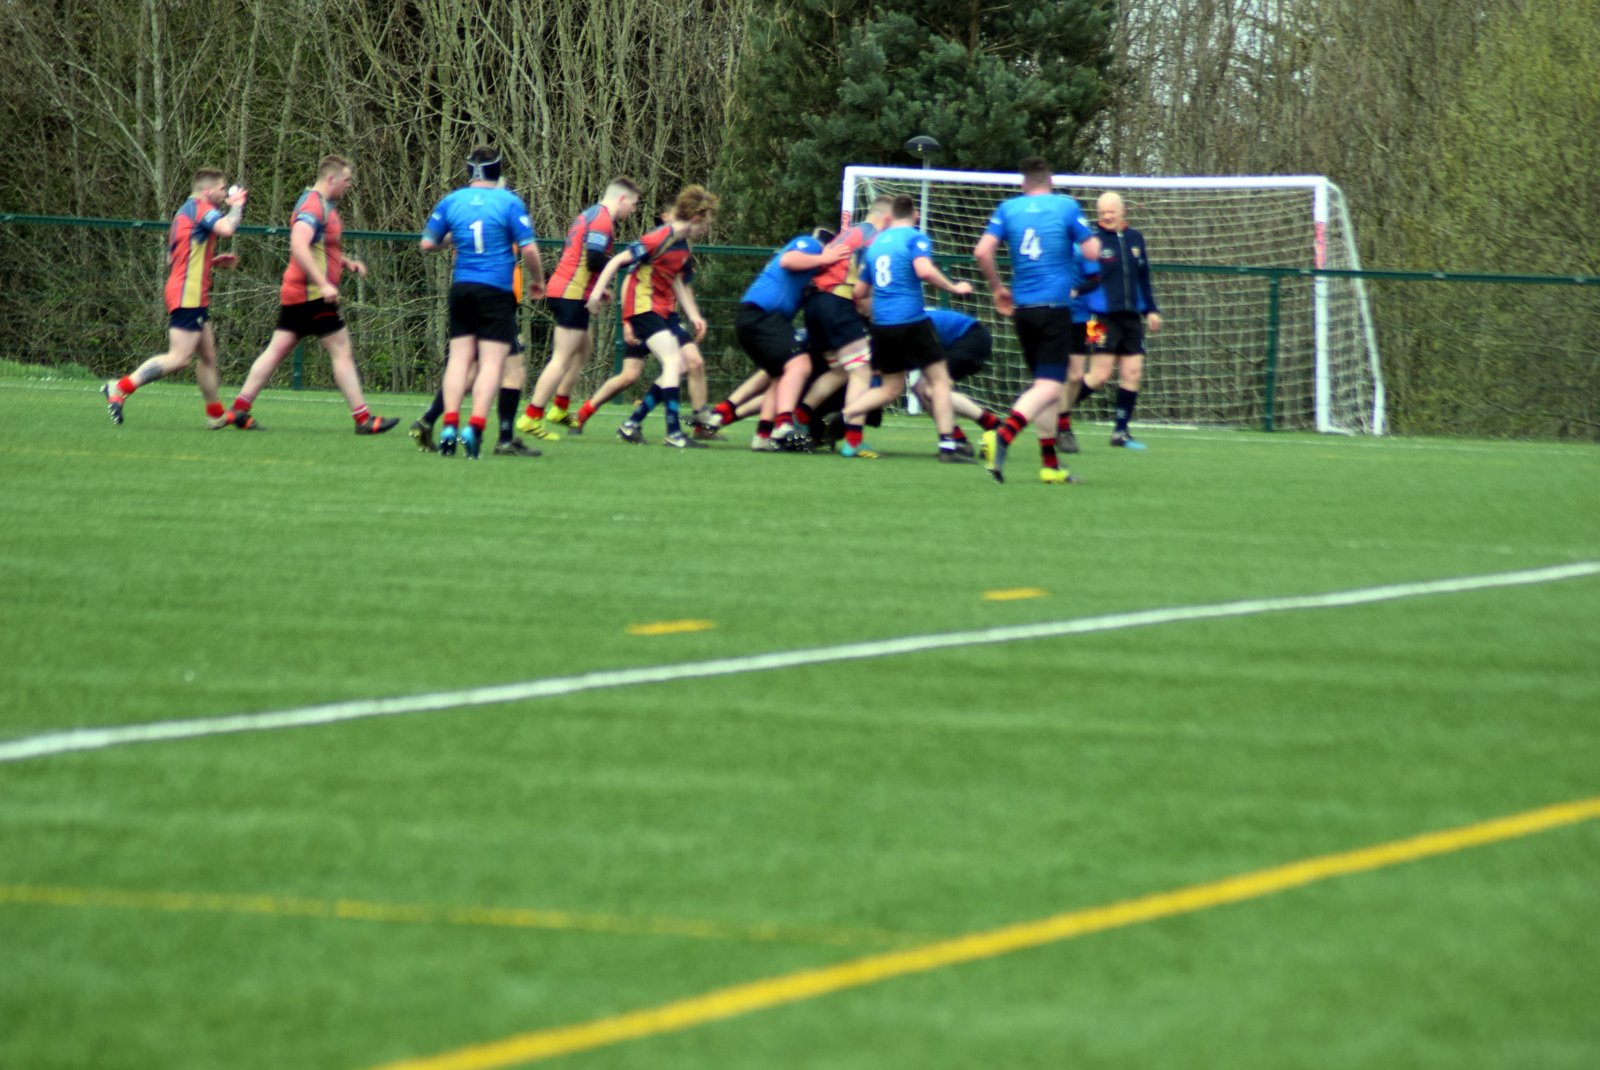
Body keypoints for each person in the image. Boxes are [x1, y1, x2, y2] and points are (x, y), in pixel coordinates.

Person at [216, 154, 398, 435]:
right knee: (341, 351)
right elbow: (299, 245)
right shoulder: (313, 206)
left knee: (276, 350)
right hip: (311, 294)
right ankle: (363, 420)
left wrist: (345, 262)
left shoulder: (322, 204)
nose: (349, 185)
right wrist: (323, 284)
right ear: (331, 178)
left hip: (300, 292)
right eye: (347, 180)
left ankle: (239, 409)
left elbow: (320, 246)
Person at [972, 156, 1100, 484]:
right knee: (1050, 386)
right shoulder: (1066, 206)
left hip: (1023, 311)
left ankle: (1050, 465)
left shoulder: (1007, 209)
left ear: (1023, 183)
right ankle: (1003, 434)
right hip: (1055, 309)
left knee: (1045, 389)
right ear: (1050, 181)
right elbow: (1091, 253)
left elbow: (982, 252)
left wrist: (997, 288)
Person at [417, 147, 544, 459]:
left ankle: (448, 426)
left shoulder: (452, 200)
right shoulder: (509, 202)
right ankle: (474, 428)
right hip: (495, 290)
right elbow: (529, 249)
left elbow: (428, 243)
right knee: (491, 364)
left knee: (459, 361)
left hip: (462, 288)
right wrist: (538, 281)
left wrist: (455, 236)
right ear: (497, 171)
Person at [102, 167, 247, 426]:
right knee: (179, 358)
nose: (225, 192)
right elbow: (227, 229)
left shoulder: (183, 212)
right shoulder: (201, 209)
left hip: (190, 291)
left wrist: (211, 261)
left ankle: (215, 415)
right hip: (187, 293)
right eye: (222, 188)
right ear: (207, 190)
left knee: (208, 357)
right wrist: (237, 206)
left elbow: (175, 257)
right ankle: (120, 387)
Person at [839, 194, 973, 461]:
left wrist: (879, 308)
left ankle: (846, 414)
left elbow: (860, 292)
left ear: (889, 217)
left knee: (890, 388)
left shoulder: (875, 246)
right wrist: (953, 287)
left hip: (883, 327)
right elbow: (924, 270)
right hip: (912, 322)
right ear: (916, 215)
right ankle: (948, 446)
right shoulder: (915, 238)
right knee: (940, 381)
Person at [583, 185, 719, 448]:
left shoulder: (681, 246)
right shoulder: (658, 238)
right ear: (696, 218)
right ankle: (673, 433)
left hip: (660, 311)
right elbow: (616, 262)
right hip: (642, 307)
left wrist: (694, 316)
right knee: (673, 361)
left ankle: (632, 424)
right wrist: (595, 294)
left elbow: (676, 281)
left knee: (678, 365)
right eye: (706, 224)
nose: (706, 229)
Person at [513, 177, 641, 441]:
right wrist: (623, 262)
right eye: (634, 204)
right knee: (561, 358)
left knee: (584, 347)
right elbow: (594, 260)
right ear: (621, 198)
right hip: (570, 294)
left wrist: (596, 288)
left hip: (569, 290)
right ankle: (531, 416)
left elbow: (581, 258)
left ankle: (560, 407)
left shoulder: (589, 214)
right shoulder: (602, 220)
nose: (634, 210)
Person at [728, 226, 850, 449]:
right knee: (797, 366)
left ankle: (744, 426)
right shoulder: (812, 245)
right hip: (763, 316)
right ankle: (784, 423)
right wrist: (826, 257)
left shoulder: (811, 273)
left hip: (766, 318)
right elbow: (788, 260)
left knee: (780, 375)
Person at [783, 203, 890, 447]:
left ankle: (800, 417)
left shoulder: (847, 234)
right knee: (861, 371)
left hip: (815, 304)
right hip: (836, 303)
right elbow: (862, 287)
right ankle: (854, 441)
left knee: (841, 369)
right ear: (887, 218)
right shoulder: (871, 237)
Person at [1081, 190, 1161, 449]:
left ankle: (1121, 431)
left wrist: (1150, 309)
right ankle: (1059, 411)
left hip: (1131, 318)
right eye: (1102, 212)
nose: (1106, 216)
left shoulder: (1136, 238)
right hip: (1099, 319)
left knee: (1133, 373)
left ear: (1122, 211)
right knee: (1098, 376)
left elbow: (1143, 277)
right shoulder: (1091, 241)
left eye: (1111, 211)